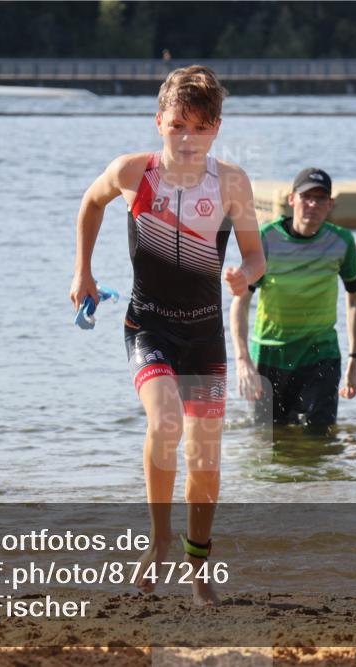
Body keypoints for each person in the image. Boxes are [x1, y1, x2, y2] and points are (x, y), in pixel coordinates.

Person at [70, 65, 265, 606]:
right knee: (166, 421)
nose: (187, 138)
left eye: (199, 128)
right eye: (178, 125)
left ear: (217, 128)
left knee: (206, 458)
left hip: (204, 336)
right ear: (159, 121)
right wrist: (81, 272)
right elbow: (91, 203)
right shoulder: (133, 172)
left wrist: (243, 276)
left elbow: (255, 254)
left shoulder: (231, 183)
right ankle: (157, 541)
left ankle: (198, 566)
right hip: (148, 324)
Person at [231, 168, 356, 433]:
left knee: (321, 436)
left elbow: (355, 299)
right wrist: (242, 360)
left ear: (331, 204)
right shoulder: (266, 239)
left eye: (320, 198)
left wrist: (354, 361)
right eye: (306, 197)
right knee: (269, 438)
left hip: (321, 354)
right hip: (270, 355)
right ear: (292, 199)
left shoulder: (342, 242)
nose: (313, 205)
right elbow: (241, 301)